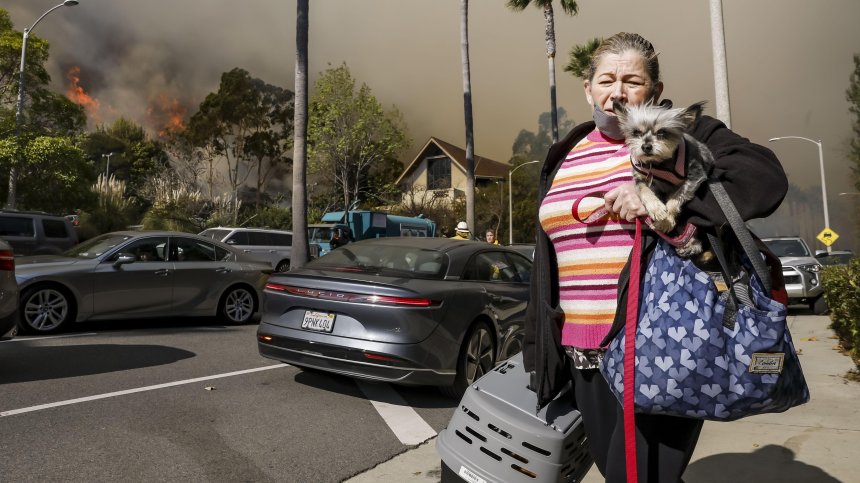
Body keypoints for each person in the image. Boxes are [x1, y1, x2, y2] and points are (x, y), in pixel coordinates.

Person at [522, 32, 787, 482]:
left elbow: (764, 179)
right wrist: (540, 348)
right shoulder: (565, 153)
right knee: (620, 474)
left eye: (633, 80)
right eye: (606, 80)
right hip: (582, 355)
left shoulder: (682, 135)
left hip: (662, 347)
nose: (617, 92)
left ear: (656, 92)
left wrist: (663, 191)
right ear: (587, 88)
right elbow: (547, 259)